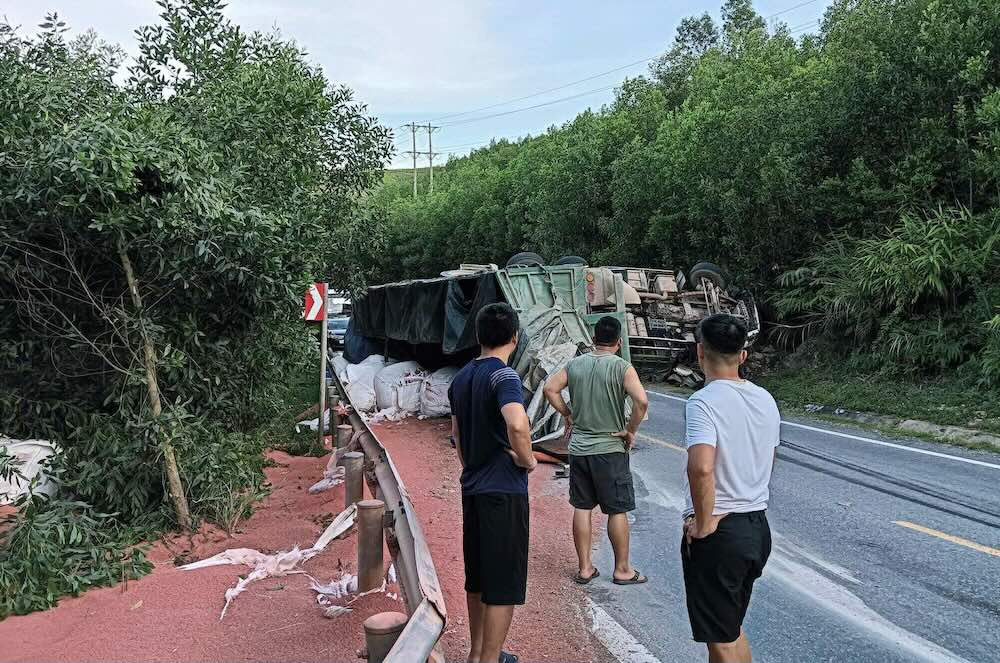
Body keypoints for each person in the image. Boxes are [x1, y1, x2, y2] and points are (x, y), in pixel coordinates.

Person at [681, 313, 780, 663]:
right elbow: (768, 459)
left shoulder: (703, 402)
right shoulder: (766, 399)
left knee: (720, 641)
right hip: (756, 526)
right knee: (731, 628)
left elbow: (701, 467)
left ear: (700, 351)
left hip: (722, 532)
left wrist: (705, 522)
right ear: (743, 356)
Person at [448, 302, 536, 663]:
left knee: (479, 578)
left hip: (473, 488)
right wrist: (527, 460)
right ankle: (490, 658)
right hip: (504, 491)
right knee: (502, 586)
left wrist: (473, 466)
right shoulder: (505, 376)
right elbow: (517, 423)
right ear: (515, 337)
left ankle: (476, 653)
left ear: (478, 336)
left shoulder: (461, 378)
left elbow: (457, 437)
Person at [543, 315, 649, 586]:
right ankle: (623, 570)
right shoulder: (623, 368)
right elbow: (641, 401)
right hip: (611, 449)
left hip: (579, 448)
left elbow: (550, 388)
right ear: (619, 341)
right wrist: (630, 429)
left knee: (582, 506)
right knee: (617, 509)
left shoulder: (575, 364)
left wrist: (567, 413)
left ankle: (585, 568)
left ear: (593, 339)